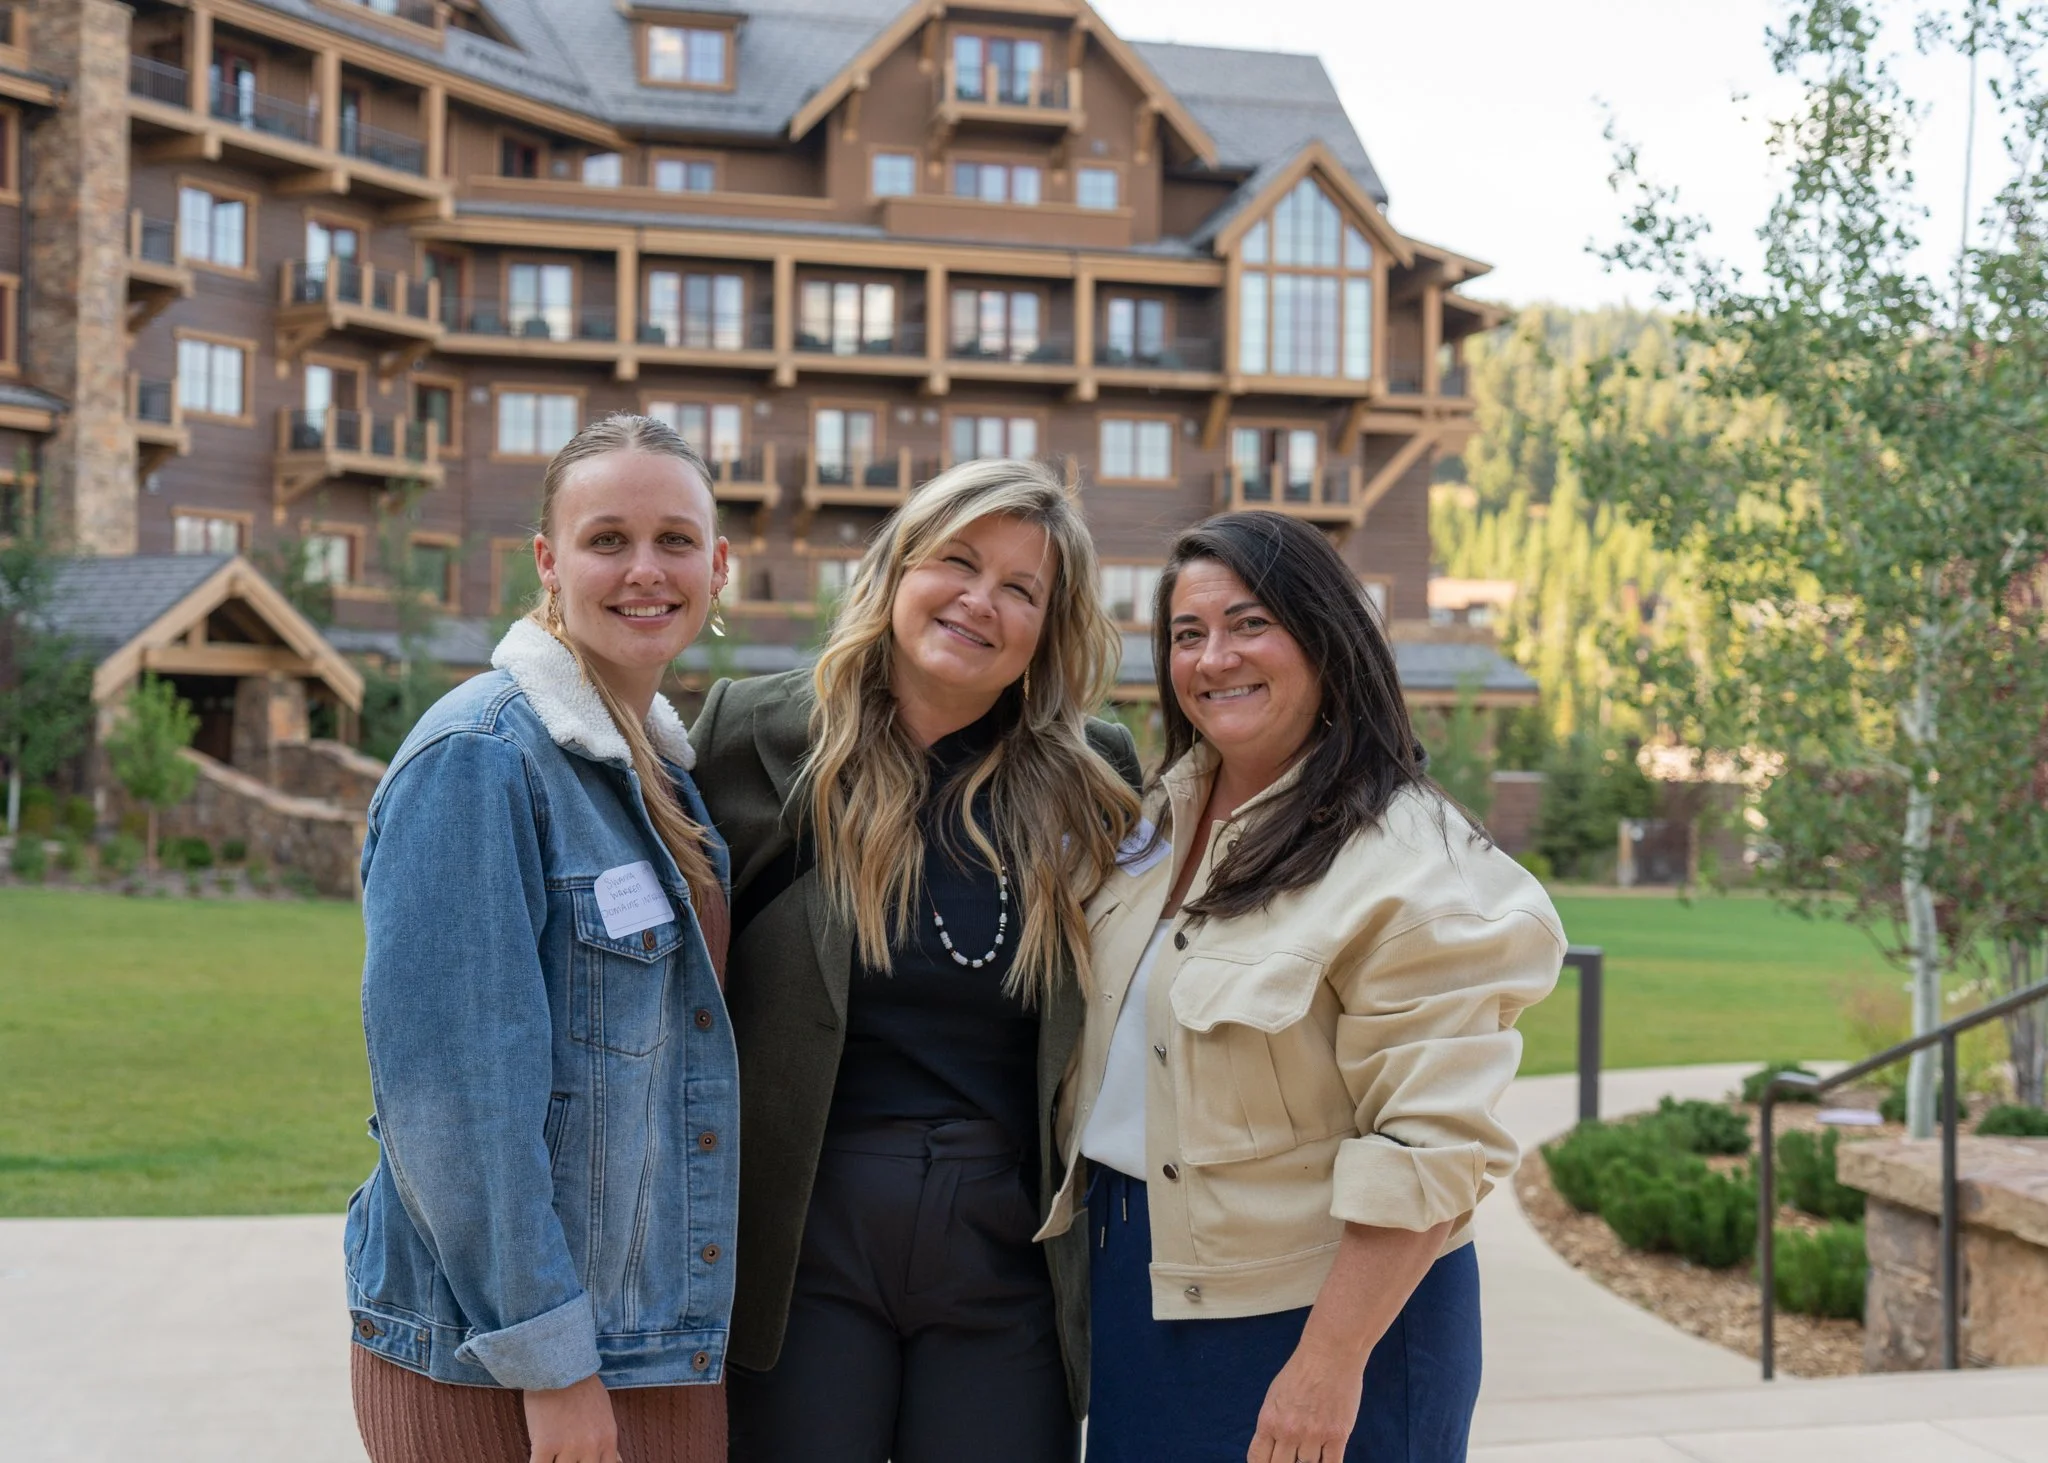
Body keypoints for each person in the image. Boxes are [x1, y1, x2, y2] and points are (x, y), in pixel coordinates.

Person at [1042, 511, 1565, 1463]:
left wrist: (1329, 1363)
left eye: (1251, 624)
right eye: (1187, 633)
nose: (1213, 657)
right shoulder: (1153, 822)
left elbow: (1431, 1145)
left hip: (1320, 1315)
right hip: (1144, 1282)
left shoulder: (1412, 865)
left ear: (1325, 636)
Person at [689, 458, 1143, 1463]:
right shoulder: (752, 736)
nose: (981, 602)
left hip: (1005, 1239)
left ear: (1046, 629)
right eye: (958, 561)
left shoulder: (1095, 776)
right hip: (802, 1228)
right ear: (897, 568)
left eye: (1021, 589)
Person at [345, 413, 740, 1463]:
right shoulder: (479, 758)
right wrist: (551, 1364)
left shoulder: (656, 771)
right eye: (607, 538)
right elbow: (454, 1110)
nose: (644, 570)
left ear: (718, 564)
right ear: (547, 561)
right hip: (505, 1363)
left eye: (675, 540)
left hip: (650, 1339)